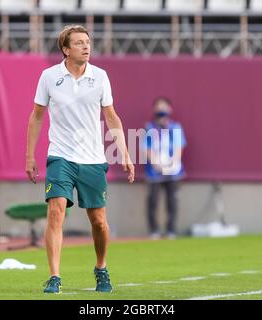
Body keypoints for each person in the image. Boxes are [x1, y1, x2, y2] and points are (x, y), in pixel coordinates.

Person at [26, 25, 134, 294]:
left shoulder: (100, 76)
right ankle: (54, 277)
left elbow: (111, 116)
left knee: (98, 221)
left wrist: (124, 151)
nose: (86, 47)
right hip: (60, 156)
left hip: (93, 159)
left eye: (88, 42)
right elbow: (37, 116)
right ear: (65, 49)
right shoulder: (49, 77)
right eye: (79, 43)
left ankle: (101, 267)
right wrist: (29, 155)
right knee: (55, 211)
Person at [143, 97, 187, 240]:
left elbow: (179, 147)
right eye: (158, 106)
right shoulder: (149, 128)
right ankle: (154, 230)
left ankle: (171, 230)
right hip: (154, 171)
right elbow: (146, 148)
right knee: (153, 201)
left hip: (173, 171)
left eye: (164, 106)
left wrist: (172, 163)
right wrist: (156, 164)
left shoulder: (175, 127)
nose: (161, 110)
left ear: (169, 109)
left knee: (172, 202)